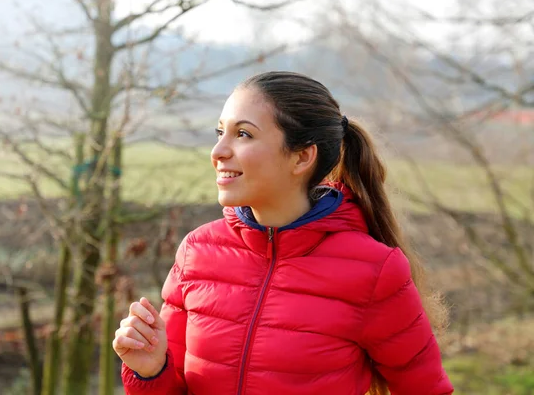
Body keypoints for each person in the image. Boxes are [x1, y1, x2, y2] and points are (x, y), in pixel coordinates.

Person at [113, 71, 454, 395]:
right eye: (220, 133)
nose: (218, 152)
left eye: (243, 134)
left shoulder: (375, 270)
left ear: (302, 157)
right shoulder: (197, 252)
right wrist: (150, 370)